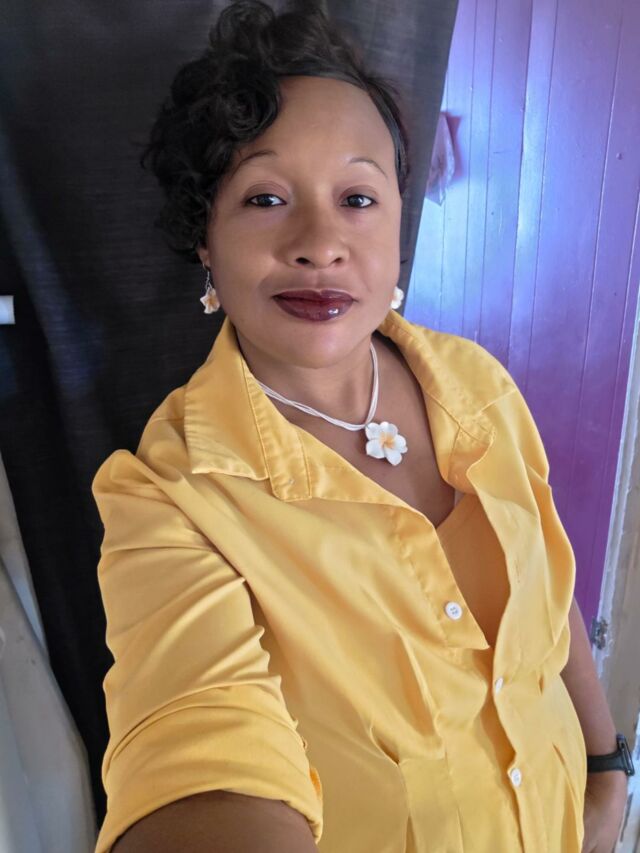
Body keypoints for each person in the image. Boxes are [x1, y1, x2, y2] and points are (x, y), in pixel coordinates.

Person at [91, 2, 631, 851]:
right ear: (206, 236)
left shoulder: (478, 384)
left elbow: (549, 597)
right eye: (266, 197)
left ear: (398, 220)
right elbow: (195, 749)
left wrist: (607, 767)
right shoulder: (169, 494)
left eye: (357, 197)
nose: (320, 243)